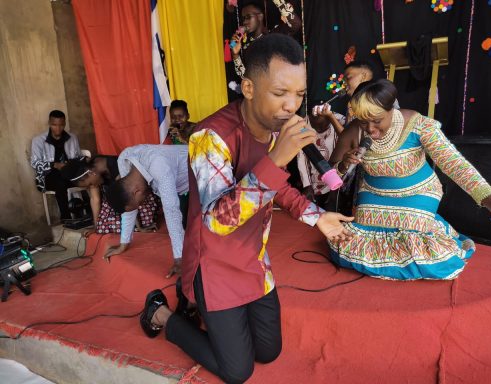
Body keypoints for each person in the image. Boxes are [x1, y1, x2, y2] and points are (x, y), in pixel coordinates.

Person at [138, 34, 353, 384]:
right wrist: (277, 157)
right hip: (214, 264)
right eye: (280, 94)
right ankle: (163, 315)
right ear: (250, 88)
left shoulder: (272, 129)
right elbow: (218, 221)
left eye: (299, 95)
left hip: (255, 259)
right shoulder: (209, 137)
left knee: (268, 351)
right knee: (238, 372)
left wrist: (317, 217)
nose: (291, 107)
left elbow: (277, 186)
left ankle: (215, 321)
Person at [329, 79, 491, 280]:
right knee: (349, 248)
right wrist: (344, 165)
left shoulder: (418, 124)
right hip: (374, 194)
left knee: (423, 257)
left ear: (391, 109)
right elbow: (329, 179)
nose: (370, 129)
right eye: (364, 121)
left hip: (418, 192)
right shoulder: (352, 131)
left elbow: (456, 165)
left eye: (377, 120)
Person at [104, 145, 189, 277]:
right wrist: (124, 243)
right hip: (181, 184)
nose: (141, 205)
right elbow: (128, 206)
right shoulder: (124, 160)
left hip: (206, 170)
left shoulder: (159, 166)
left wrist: (180, 259)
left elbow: (172, 212)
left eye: (139, 203)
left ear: (136, 191)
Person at [61, 156, 159, 234]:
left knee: (145, 220)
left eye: (90, 184)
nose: (92, 186)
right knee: (101, 225)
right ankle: (130, 227)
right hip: (119, 202)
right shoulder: (91, 169)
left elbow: (129, 199)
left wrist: (140, 227)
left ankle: (134, 226)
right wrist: (96, 226)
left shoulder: (116, 166)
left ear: (91, 173)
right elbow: (95, 199)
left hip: (136, 199)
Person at [31, 110, 81, 221]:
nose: (58, 128)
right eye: (54, 125)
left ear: (65, 124)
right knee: (60, 183)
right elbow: (35, 163)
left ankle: (85, 215)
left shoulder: (72, 138)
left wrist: (75, 162)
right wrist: (54, 165)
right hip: (48, 177)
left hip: (69, 174)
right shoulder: (38, 141)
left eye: (61, 125)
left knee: (90, 178)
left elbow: (78, 157)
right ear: (49, 123)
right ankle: (66, 219)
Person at [230, 0, 301, 79]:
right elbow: (246, 77)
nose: (245, 22)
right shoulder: (248, 47)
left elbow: (295, 24)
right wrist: (235, 55)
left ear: (260, 16)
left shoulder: (275, 35)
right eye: (243, 19)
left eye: (248, 17)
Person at [296, 101, 345, 208]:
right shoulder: (302, 125)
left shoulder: (339, 120)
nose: (319, 130)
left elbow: (347, 140)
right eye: (316, 126)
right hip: (315, 184)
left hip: (339, 180)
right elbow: (302, 158)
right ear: (309, 118)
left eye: (323, 126)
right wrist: (307, 186)